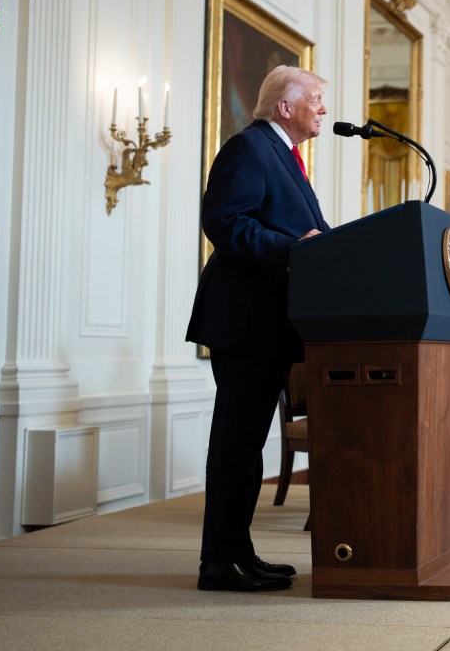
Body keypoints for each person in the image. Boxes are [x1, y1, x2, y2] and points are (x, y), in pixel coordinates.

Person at [186, 65, 329, 593]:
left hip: (268, 325)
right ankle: (219, 561)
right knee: (236, 445)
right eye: (315, 98)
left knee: (247, 446)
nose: (323, 108)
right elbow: (224, 221)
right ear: (285, 106)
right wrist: (296, 248)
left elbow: (306, 234)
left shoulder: (285, 156)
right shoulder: (249, 148)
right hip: (244, 320)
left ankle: (239, 552)